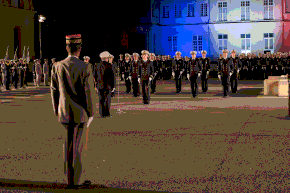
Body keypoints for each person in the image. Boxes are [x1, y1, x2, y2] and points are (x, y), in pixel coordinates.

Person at [50, 34, 96, 188]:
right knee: (78, 147)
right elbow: (88, 92)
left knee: (68, 145)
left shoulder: (57, 66)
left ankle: (70, 179)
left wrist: (57, 109)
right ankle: (75, 182)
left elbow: (54, 91)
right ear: (80, 50)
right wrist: (91, 113)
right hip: (80, 112)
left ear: (66, 48)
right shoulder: (85, 66)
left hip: (64, 111)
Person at [96, 51, 115, 117]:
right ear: (106, 58)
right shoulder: (109, 65)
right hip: (107, 86)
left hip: (100, 86)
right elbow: (112, 77)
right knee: (107, 100)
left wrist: (96, 85)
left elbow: (95, 76)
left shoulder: (97, 65)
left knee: (101, 100)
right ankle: (107, 113)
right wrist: (113, 86)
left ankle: (101, 113)